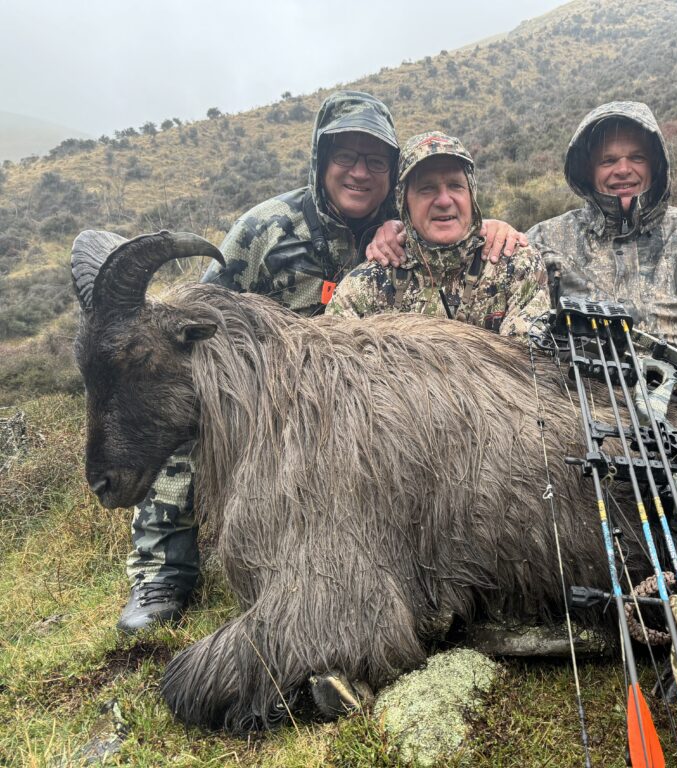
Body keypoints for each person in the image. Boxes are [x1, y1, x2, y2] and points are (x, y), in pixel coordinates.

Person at [118, 91, 524, 632]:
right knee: (190, 407)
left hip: (364, 421)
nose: (359, 172)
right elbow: (189, 332)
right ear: (320, 160)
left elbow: (451, 218)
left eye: (375, 161)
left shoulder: (405, 219)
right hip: (265, 409)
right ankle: (161, 571)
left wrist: (497, 225)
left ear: (392, 174)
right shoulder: (263, 230)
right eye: (345, 158)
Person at [527, 101, 677, 440]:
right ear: (587, 170)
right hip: (574, 414)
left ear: (656, 165)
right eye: (608, 160)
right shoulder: (544, 241)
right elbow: (521, 333)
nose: (623, 169)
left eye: (636, 158)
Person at [327, 131, 549, 335]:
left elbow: (528, 363)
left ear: (471, 195)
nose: (444, 201)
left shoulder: (515, 265)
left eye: (455, 186)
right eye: (427, 188)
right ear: (404, 202)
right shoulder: (366, 284)